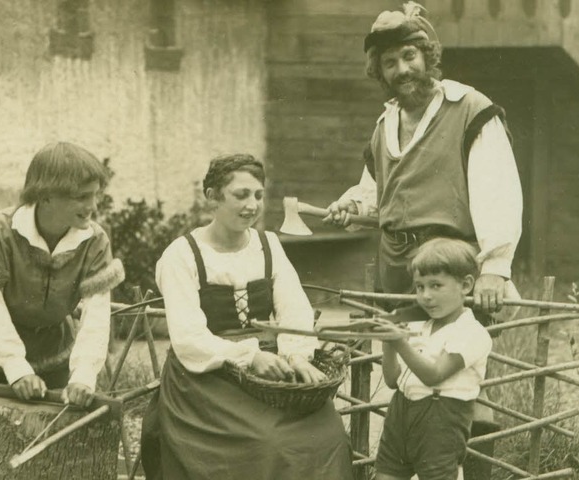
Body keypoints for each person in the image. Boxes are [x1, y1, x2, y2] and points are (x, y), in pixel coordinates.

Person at [140, 154, 353, 480]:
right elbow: (188, 338)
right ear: (211, 196)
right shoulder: (182, 255)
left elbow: (294, 308)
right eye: (240, 195)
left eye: (257, 195)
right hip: (207, 376)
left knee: (329, 435)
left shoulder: (268, 245)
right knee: (268, 444)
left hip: (271, 367)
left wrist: (296, 356)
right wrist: (248, 356)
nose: (252, 205)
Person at [324, 2, 522, 318]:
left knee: (450, 363)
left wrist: (495, 268)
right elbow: (380, 196)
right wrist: (354, 207)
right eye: (390, 63)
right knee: (397, 364)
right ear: (380, 73)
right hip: (396, 274)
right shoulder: (384, 125)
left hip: (448, 271)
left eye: (409, 56)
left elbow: (498, 195)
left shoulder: (469, 110)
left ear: (427, 57)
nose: (402, 70)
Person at [0, 141, 124, 409]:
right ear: (46, 195)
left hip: (52, 353)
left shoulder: (94, 241)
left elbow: (97, 314)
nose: (93, 206)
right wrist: (16, 368)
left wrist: (83, 376)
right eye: (82, 197)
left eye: (95, 195)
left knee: (54, 435)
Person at [374, 238, 493, 480]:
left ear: (466, 285)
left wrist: (399, 342)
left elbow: (434, 375)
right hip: (401, 413)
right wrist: (388, 343)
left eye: (436, 285)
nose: (426, 296)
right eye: (419, 287)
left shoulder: (471, 332)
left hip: (440, 422)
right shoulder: (420, 326)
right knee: (387, 474)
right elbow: (392, 381)